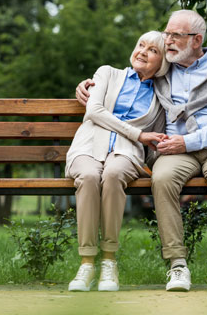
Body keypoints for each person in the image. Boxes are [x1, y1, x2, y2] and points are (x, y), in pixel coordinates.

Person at [75, 10, 207, 293]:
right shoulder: (164, 70)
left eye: (175, 36)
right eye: (166, 34)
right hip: (177, 149)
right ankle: (177, 265)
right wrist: (85, 87)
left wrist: (187, 141)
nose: (167, 40)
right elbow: (132, 75)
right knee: (162, 178)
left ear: (196, 40)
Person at [66, 31, 170, 292]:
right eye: (140, 45)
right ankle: (87, 263)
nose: (143, 51)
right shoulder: (107, 73)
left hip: (126, 153)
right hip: (88, 144)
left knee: (112, 175)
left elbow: (157, 138)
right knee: (89, 177)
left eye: (153, 50)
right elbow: (95, 110)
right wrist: (139, 134)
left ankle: (109, 261)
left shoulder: (162, 95)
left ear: (163, 62)